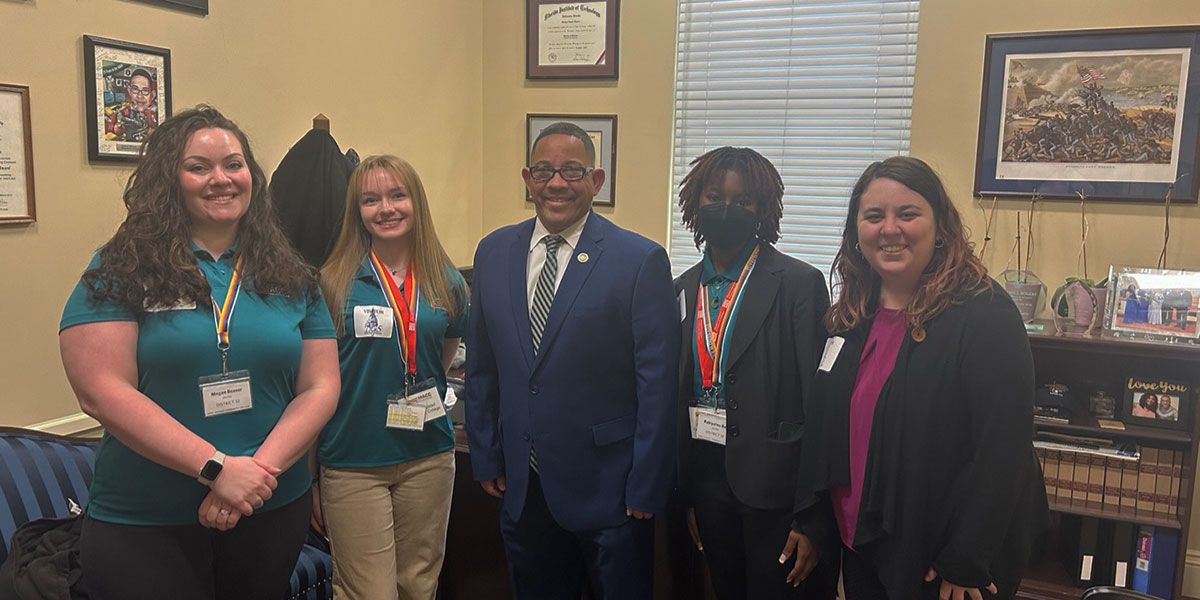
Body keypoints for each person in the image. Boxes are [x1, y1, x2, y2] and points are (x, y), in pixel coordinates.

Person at [58, 105, 340, 600]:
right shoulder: (122, 266)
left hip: (269, 506)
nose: (221, 179)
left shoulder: (290, 272)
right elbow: (101, 391)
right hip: (148, 520)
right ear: (169, 179)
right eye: (198, 167)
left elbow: (320, 386)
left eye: (234, 165)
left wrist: (253, 476)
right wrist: (216, 469)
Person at [792, 157, 1048, 600]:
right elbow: (828, 427)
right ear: (856, 230)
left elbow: (1004, 450)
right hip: (862, 545)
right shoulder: (852, 314)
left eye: (907, 214)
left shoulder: (985, 314)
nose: (889, 229)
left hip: (942, 563)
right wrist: (812, 518)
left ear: (940, 225)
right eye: (874, 216)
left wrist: (966, 557)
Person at [464, 121, 680, 599]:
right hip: (523, 486)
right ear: (527, 178)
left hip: (612, 491)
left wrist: (648, 483)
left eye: (572, 171)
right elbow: (482, 367)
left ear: (596, 180)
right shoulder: (493, 252)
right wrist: (486, 454)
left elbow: (658, 385)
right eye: (543, 170)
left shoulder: (639, 260)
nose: (556, 183)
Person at [672, 147, 832, 599]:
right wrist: (688, 497)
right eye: (714, 197)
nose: (726, 208)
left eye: (742, 201)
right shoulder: (681, 289)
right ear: (695, 202)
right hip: (707, 482)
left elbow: (818, 405)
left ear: (762, 209)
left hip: (777, 490)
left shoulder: (799, 284)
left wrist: (811, 517)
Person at [314, 155, 468, 599]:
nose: (386, 208)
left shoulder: (446, 282)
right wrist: (310, 478)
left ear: (415, 202)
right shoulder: (332, 284)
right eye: (371, 200)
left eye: (397, 195)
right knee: (369, 593)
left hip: (428, 456)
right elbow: (314, 383)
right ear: (357, 211)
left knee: (419, 585)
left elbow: (442, 356)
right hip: (353, 461)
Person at [104, 68, 158, 142]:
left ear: (152, 95)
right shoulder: (122, 112)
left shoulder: (154, 116)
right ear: (129, 91)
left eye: (145, 90)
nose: (140, 96)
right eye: (135, 89)